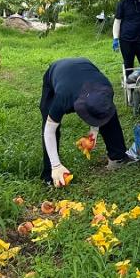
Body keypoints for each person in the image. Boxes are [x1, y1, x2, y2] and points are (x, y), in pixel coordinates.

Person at [40, 57, 133, 186]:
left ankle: (118, 157)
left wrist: (92, 135)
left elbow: (99, 111)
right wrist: (56, 166)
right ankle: (51, 172)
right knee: (48, 119)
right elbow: (49, 130)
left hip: (84, 67)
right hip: (56, 72)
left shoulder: (106, 87)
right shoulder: (63, 97)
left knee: (107, 112)